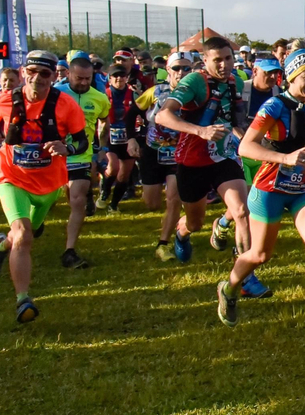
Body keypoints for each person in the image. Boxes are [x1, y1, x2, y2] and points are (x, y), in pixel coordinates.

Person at [216, 49, 305, 344]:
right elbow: (245, 148)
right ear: (291, 76)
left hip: (303, 188)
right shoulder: (274, 106)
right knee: (260, 255)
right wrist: (287, 158)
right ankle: (229, 287)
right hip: (269, 187)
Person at [0, 50, 88, 322]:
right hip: (12, 177)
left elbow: (82, 141)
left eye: (45, 73)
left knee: (27, 234)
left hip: (49, 183)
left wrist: (66, 147)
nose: (37, 79)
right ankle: (22, 300)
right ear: (23, 72)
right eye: (32, 72)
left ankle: (1, 246)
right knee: (23, 233)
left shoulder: (66, 105)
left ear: (53, 76)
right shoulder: (5, 99)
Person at [155, 36, 255, 275]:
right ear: (205, 59)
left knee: (241, 210)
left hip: (223, 157)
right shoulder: (194, 81)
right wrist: (201, 131)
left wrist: (247, 137)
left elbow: (232, 121)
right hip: (193, 160)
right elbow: (162, 116)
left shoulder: (236, 82)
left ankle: (246, 275)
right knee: (195, 223)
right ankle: (182, 233)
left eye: (228, 58)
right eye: (218, 60)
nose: (224, 65)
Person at [56, 52, 110, 269]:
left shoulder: (100, 97)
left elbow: (105, 123)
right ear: (68, 74)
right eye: (79, 78)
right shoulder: (55, 93)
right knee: (52, 199)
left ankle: (69, 250)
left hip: (81, 154)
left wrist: (102, 149)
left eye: (88, 78)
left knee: (76, 201)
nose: (84, 82)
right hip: (55, 155)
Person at [134, 53, 186, 261]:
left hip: (178, 154)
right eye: (177, 68)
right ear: (168, 70)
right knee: (152, 203)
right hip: (152, 152)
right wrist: (132, 139)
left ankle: (163, 244)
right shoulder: (155, 92)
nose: (181, 73)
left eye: (186, 69)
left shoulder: (195, 95)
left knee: (174, 199)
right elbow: (132, 114)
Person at [97, 65, 139, 213]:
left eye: (122, 76)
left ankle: (114, 204)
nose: (119, 79)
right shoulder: (103, 95)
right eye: (115, 76)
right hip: (110, 138)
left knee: (124, 174)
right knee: (113, 167)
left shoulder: (134, 94)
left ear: (127, 78)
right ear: (110, 78)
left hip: (128, 138)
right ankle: (105, 192)